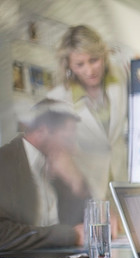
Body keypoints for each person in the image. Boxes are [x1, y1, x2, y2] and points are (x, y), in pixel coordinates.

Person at [47, 25, 128, 202]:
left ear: (104, 56)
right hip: (85, 192)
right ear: (68, 65)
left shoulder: (120, 84)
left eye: (94, 60)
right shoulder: (57, 100)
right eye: (80, 64)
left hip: (120, 182)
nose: (89, 71)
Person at [0, 99, 89, 251]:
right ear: (42, 131)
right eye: (67, 138)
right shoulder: (6, 163)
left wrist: (77, 182)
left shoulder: (55, 164)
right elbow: (4, 235)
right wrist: (68, 236)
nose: (73, 147)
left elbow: (82, 224)